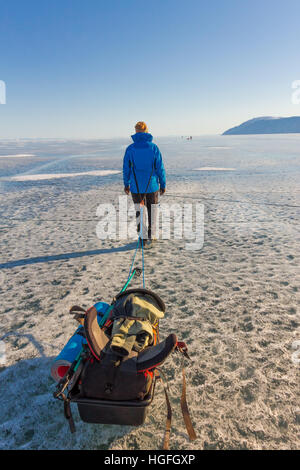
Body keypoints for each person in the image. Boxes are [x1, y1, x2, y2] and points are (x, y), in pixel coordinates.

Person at [123, 121, 166, 248]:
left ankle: (142, 237)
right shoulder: (153, 147)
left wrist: (126, 184)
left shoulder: (130, 149)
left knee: (140, 212)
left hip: (136, 188)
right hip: (152, 187)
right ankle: (151, 236)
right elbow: (160, 168)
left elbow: (126, 168)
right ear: (146, 131)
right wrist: (163, 184)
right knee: (152, 211)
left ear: (136, 132)